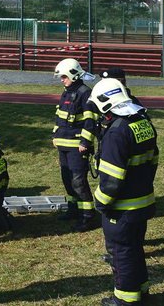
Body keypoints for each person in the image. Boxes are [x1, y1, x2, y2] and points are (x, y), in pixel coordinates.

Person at [89, 78, 159, 305]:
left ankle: (126, 300)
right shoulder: (143, 121)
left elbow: (111, 180)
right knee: (135, 248)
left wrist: (100, 204)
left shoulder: (116, 133)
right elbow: (153, 160)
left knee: (121, 253)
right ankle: (142, 292)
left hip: (122, 208)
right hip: (142, 201)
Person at [52, 58, 99, 232]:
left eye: (64, 76)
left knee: (78, 181)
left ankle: (88, 216)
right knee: (66, 178)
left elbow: (90, 121)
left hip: (77, 146)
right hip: (63, 144)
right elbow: (60, 116)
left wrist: (85, 142)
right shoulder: (66, 91)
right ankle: (74, 209)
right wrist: (55, 135)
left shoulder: (85, 92)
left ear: (73, 74)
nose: (61, 80)